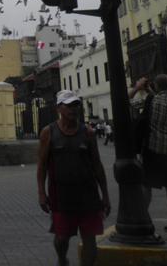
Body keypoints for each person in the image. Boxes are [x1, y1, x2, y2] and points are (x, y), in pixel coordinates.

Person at [37, 90, 110, 266]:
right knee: (61, 239)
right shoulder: (48, 132)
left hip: (88, 195)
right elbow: (42, 166)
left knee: (90, 241)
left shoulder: (88, 133)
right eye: (68, 105)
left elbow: (97, 165)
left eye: (76, 105)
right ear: (59, 108)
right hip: (61, 195)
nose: (73, 109)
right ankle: (63, 260)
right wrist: (41, 192)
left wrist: (105, 195)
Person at [140, 74, 167, 232]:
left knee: (146, 184)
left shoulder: (153, 101)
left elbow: (133, 103)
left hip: (153, 149)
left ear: (156, 86)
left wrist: (140, 88)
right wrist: (149, 90)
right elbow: (160, 99)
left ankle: (142, 218)